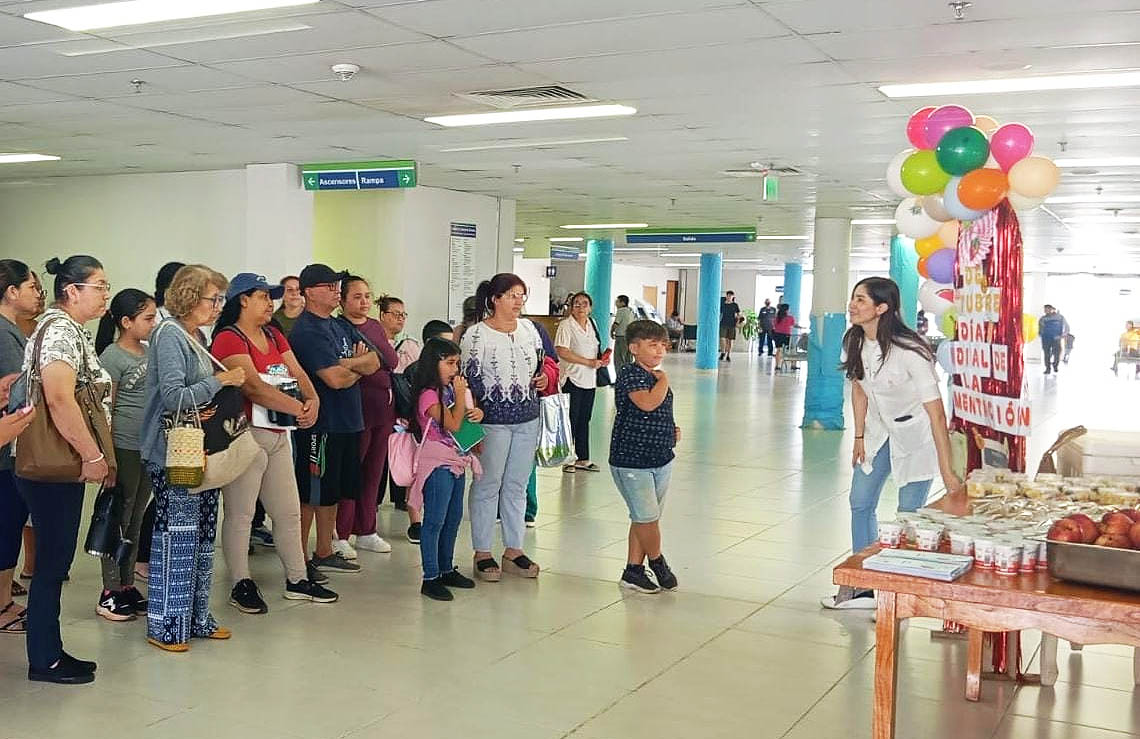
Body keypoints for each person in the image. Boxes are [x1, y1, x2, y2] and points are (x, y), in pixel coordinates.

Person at [821, 277, 964, 610]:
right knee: (860, 502)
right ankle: (863, 588)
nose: (852, 305)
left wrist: (947, 470)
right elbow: (858, 387)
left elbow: (937, 414)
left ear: (881, 308)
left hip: (917, 438)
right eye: (853, 298)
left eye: (860, 300)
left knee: (908, 517)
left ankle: (896, 595)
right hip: (877, 432)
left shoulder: (911, 351)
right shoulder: (854, 340)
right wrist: (858, 436)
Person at [141, 264, 253, 651]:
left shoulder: (196, 335)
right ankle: (166, 626)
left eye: (220, 299)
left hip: (201, 451)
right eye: (212, 299)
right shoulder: (169, 336)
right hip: (173, 453)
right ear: (189, 297)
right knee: (177, 539)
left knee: (203, 536)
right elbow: (173, 396)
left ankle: (196, 616)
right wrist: (220, 381)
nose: (217, 306)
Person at [211, 273, 339, 613]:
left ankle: (297, 579)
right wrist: (299, 408)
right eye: (264, 296)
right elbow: (252, 387)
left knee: (288, 511)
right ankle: (241, 582)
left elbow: (297, 373)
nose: (272, 303)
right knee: (241, 514)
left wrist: (313, 401)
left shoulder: (273, 333)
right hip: (245, 435)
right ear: (242, 300)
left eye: (272, 297)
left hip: (279, 434)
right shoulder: (228, 338)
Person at [16, 255, 112, 684]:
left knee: (54, 562)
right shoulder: (58, 331)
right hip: (53, 466)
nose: (105, 295)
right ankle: (44, 659)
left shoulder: (66, 329)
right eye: (99, 286)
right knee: (52, 564)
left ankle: (50, 649)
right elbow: (59, 398)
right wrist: (92, 455)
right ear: (72, 290)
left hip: (53, 467)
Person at [289, 264, 379, 576]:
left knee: (333, 493)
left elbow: (375, 359)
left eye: (337, 285)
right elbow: (335, 379)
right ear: (309, 292)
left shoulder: (340, 325)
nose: (335, 290)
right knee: (309, 494)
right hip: (320, 425)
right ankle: (298, 559)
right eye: (329, 286)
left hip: (348, 422)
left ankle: (324, 550)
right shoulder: (306, 331)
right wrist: (353, 366)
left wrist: (348, 363)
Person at [461, 273, 548, 581]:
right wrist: (474, 415)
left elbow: (543, 364)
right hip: (492, 422)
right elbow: (467, 380)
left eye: (521, 295)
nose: (518, 301)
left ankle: (514, 548)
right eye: (511, 295)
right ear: (494, 299)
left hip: (528, 416)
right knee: (488, 483)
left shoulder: (530, 330)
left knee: (517, 485)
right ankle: (482, 551)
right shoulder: (476, 335)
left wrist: (545, 378)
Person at [93, 289, 158, 622]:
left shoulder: (149, 352)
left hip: (147, 446)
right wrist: (108, 457)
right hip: (123, 446)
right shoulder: (111, 358)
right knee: (118, 516)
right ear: (126, 322)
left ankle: (127, 583)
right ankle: (109, 590)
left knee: (135, 516)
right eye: (147, 318)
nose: (153, 323)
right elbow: (106, 409)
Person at [610, 320, 680, 594]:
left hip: (661, 457)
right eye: (652, 345)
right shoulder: (630, 373)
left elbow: (660, 409)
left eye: (663, 345)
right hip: (632, 460)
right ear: (634, 348)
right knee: (647, 517)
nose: (659, 351)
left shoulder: (654, 375)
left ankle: (633, 571)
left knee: (644, 518)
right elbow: (648, 403)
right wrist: (663, 380)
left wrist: (670, 428)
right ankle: (657, 561)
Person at [409, 338, 482, 600]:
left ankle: (446, 567)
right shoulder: (428, 394)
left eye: (457, 363)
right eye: (449, 363)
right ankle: (430, 576)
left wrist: (477, 414)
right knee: (435, 520)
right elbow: (451, 424)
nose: (455, 369)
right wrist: (462, 396)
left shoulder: (450, 390)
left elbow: (462, 419)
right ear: (433, 362)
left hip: (456, 459)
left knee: (452, 519)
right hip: (437, 463)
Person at [335, 276, 398, 554]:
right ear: (343, 300)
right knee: (351, 473)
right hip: (354, 408)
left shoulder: (374, 326)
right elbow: (340, 365)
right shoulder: (338, 327)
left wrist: (362, 362)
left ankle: (367, 529)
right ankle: (341, 533)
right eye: (357, 296)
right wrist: (363, 362)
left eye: (367, 296)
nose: (364, 302)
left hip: (382, 408)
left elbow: (390, 361)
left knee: (374, 471)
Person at [0, 260, 41, 636]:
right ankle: (2, 606)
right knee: (6, 525)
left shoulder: (12, 332)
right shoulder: (4, 334)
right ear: (11, 292)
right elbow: (17, 395)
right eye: (31, 286)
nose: (36, 294)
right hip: (3, 452)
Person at [376, 294, 423, 532]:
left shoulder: (410, 344)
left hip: (403, 410)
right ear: (382, 316)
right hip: (378, 408)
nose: (400, 319)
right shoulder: (372, 342)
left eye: (403, 315)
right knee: (378, 459)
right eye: (395, 314)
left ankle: (404, 502)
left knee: (405, 455)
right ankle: (373, 502)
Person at [555, 292, 603, 474]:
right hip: (572, 378)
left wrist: (598, 362)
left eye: (584, 304)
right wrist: (587, 362)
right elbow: (562, 351)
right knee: (570, 420)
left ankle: (583, 458)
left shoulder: (592, 324)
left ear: (590, 307)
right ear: (571, 307)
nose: (581, 307)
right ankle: (567, 459)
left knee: (585, 419)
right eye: (576, 303)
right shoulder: (566, 325)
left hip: (590, 379)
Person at [1039, 304, 1068, 375]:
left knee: (1057, 354)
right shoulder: (1043, 319)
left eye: (1047, 309)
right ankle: (1047, 368)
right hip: (1046, 338)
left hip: (1056, 338)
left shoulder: (1060, 317)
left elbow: (1066, 327)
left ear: (1052, 309)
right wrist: (1041, 334)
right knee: (1046, 354)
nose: (1045, 310)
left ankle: (1055, 365)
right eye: (1045, 309)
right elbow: (1040, 329)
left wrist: (1062, 335)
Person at [611, 295, 635, 370]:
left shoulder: (621, 310)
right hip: (630, 337)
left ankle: (620, 377)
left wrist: (611, 331)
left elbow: (616, 324)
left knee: (619, 359)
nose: (616, 303)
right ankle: (628, 376)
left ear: (622, 302)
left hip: (621, 337)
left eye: (617, 301)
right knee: (628, 359)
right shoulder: (630, 311)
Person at [718, 291, 742, 361]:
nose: (729, 297)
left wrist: (738, 322)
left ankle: (728, 354)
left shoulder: (735, 305)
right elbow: (719, 313)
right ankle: (723, 352)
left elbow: (739, 315)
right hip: (723, 323)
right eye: (728, 295)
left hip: (732, 324)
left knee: (730, 340)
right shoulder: (722, 304)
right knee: (722, 338)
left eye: (731, 296)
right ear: (726, 296)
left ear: (733, 297)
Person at [772, 303, 796, 369]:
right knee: (792, 348)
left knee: (779, 350)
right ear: (786, 310)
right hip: (786, 335)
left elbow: (774, 325)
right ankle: (793, 365)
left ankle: (777, 365)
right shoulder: (790, 318)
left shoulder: (777, 318)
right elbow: (794, 325)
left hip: (777, 335)